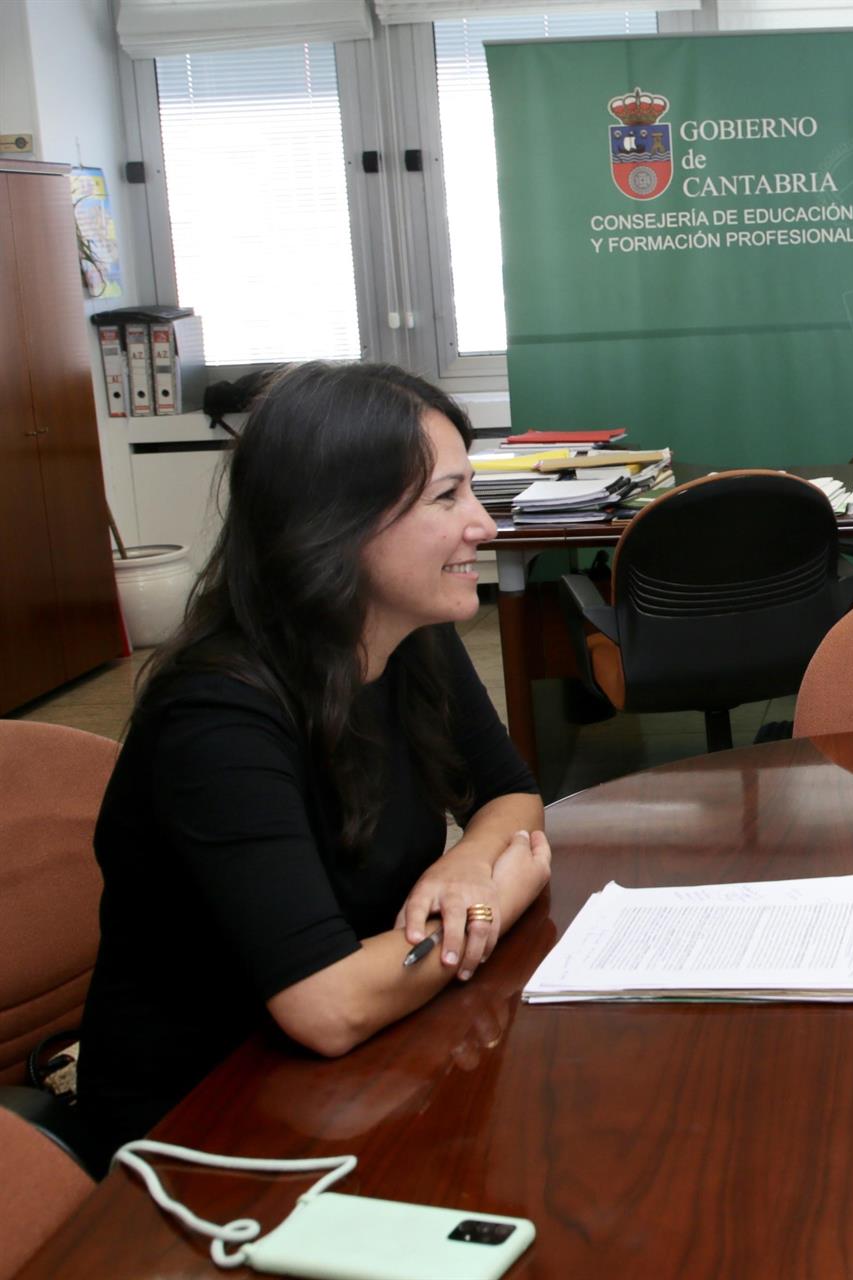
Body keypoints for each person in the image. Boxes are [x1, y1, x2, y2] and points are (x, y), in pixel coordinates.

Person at [79, 362, 552, 1168]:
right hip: (206, 1131)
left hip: (353, 1081)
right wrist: (497, 900)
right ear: (337, 524)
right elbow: (327, 1004)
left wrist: (472, 862)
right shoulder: (217, 719)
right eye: (447, 498)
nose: (484, 525)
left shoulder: (410, 635)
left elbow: (510, 794)